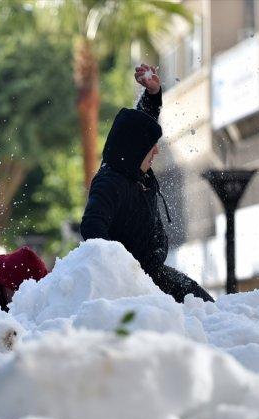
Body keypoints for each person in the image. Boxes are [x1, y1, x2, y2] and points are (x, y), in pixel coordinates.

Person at [80, 64, 213, 304]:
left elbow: (143, 123)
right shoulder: (109, 182)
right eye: (150, 145)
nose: (156, 151)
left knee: (206, 307)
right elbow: (92, 227)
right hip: (131, 282)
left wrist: (153, 94)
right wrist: (121, 272)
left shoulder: (135, 173)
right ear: (134, 148)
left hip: (154, 272)